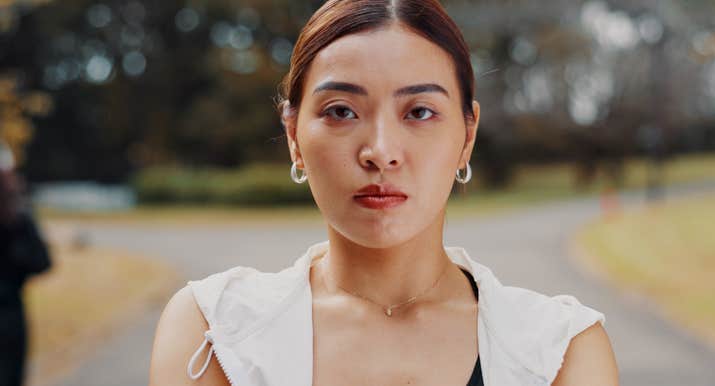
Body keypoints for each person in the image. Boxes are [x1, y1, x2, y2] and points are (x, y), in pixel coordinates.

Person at [149, 1, 618, 385]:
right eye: (340, 111)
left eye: (418, 112)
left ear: (467, 137)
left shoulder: (561, 350)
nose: (380, 152)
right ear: (293, 135)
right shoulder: (213, 329)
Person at [0, 143, 52, 386]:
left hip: (10, 311)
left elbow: (41, 261)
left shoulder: (17, 214)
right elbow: (41, 261)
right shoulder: (18, 213)